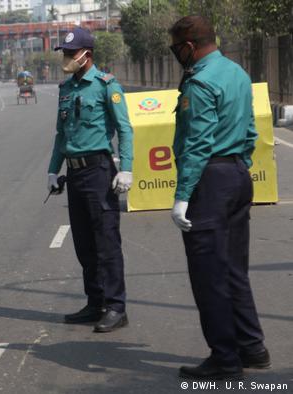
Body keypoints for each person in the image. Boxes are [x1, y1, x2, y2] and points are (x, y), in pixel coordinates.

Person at [168, 15, 269, 379]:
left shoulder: (200, 82)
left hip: (209, 180)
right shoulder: (237, 73)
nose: (177, 55)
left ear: (189, 46)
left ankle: (224, 359)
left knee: (209, 275)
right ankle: (252, 347)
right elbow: (251, 130)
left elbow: (197, 144)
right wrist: (237, 167)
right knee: (234, 271)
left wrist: (182, 196)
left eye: (177, 48)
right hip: (238, 176)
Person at [48, 27, 133, 333]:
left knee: (106, 242)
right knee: (84, 243)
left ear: (87, 55)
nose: (67, 59)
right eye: (65, 54)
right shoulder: (66, 88)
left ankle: (115, 307)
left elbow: (125, 129)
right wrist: (52, 170)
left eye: (71, 54)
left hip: (99, 170)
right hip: (74, 171)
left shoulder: (106, 86)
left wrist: (127, 168)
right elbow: (62, 134)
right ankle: (95, 302)